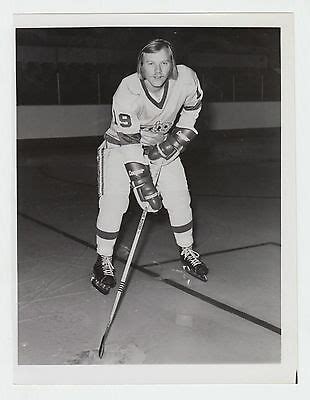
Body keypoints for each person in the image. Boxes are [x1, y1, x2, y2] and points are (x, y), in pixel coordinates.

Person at [91, 38, 208, 295]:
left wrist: (178, 140)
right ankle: (103, 259)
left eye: (164, 63)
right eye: (151, 64)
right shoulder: (128, 90)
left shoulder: (187, 79)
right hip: (121, 147)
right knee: (114, 202)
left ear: (172, 64)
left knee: (180, 198)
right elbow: (130, 142)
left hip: (160, 147)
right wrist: (143, 184)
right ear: (140, 67)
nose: (158, 71)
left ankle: (187, 250)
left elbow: (192, 110)